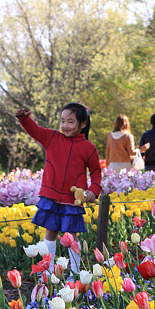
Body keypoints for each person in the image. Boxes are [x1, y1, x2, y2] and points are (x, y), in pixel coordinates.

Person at [16, 103, 100, 277]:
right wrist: (24, 119)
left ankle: (76, 274)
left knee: (72, 236)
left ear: (83, 124)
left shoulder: (89, 148)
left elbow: (96, 172)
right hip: (51, 195)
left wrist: (93, 189)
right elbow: (35, 130)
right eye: (62, 121)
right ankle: (47, 272)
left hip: (73, 198)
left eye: (70, 122)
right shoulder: (52, 138)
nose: (65, 126)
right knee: (50, 232)